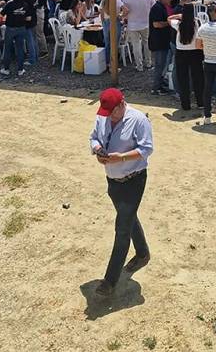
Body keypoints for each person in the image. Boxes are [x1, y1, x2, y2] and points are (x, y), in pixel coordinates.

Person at [88, 88, 153, 297]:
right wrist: (98, 151)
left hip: (133, 180)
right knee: (128, 217)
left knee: (122, 228)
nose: (107, 116)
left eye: (112, 112)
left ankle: (110, 280)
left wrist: (121, 157)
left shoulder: (139, 120)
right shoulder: (103, 116)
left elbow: (146, 149)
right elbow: (94, 137)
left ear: (122, 104)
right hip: (113, 179)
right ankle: (142, 253)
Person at [169, 0, 204, 111]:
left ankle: (185, 104)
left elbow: (168, 19)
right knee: (198, 78)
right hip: (195, 52)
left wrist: (178, 16)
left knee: (183, 79)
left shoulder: (179, 24)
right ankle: (200, 102)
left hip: (181, 52)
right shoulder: (197, 22)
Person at [121, 0, 155, 72]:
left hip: (132, 24)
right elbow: (153, 6)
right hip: (146, 22)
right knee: (147, 43)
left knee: (136, 45)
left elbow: (124, 10)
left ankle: (139, 65)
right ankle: (148, 63)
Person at [0, 0, 31, 77]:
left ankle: (6, 68)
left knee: (7, 49)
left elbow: (2, 14)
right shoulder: (25, 5)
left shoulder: (10, 5)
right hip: (21, 28)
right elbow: (28, 18)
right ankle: (20, 69)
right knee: (20, 49)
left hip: (10, 28)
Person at [149, 0, 174, 95]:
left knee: (163, 64)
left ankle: (160, 84)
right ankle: (156, 88)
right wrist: (169, 23)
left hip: (162, 41)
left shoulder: (162, 7)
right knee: (159, 65)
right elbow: (156, 24)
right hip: (158, 42)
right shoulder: (157, 8)